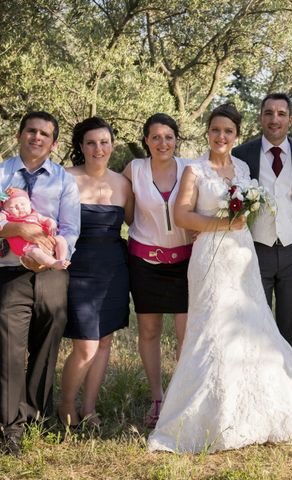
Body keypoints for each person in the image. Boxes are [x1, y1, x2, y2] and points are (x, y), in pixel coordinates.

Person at [147, 103, 292, 453]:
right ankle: (210, 411)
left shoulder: (243, 167)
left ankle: (259, 405)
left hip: (243, 256)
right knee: (212, 329)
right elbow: (182, 215)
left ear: (236, 136)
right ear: (208, 132)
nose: (221, 136)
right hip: (210, 257)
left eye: (228, 131)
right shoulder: (194, 169)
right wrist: (223, 224)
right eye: (216, 130)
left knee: (253, 327)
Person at [0, 111, 80, 455]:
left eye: (44, 134)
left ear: (54, 143)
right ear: (19, 135)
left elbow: (70, 228)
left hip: (51, 272)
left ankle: (34, 417)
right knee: (10, 349)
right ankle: (9, 428)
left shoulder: (63, 180)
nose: (36, 137)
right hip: (9, 273)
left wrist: (52, 251)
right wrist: (19, 229)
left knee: (46, 346)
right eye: (30, 131)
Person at [232, 93, 292, 359]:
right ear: (260, 117)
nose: (274, 119)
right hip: (255, 248)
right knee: (254, 318)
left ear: (290, 119)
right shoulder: (241, 154)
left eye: (281, 113)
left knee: (291, 321)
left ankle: (291, 383)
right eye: (269, 113)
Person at [59, 117, 134, 428]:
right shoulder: (65, 178)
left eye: (104, 142)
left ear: (112, 145)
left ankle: (89, 408)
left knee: (104, 342)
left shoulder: (123, 183)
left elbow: (138, 225)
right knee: (86, 345)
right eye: (91, 142)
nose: (98, 148)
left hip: (114, 269)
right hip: (78, 269)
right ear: (81, 147)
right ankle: (65, 406)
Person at [122, 114, 194, 427]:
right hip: (144, 264)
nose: (162, 143)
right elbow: (126, 215)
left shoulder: (191, 168)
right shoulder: (134, 170)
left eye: (168, 136)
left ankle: (181, 398)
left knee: (185, 335)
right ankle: (158, 398)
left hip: (185, 264)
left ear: (176, 139)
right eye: (155, 137)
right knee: (149, 332)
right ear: (146, 141)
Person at [0, 187, 70, 270]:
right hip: (27, 246)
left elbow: (46, 219)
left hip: (47, 240)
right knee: (35, 252)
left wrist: (52, 223)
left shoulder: (34, 214)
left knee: (60, 239)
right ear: (6, 209)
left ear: (29, 203)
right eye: (12, 207)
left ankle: (61, 260)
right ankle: (54, 263)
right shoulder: (8, 216)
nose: (19, 208)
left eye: (22, 204)